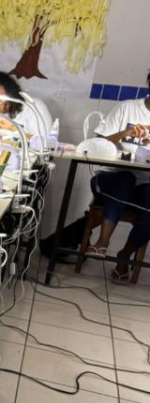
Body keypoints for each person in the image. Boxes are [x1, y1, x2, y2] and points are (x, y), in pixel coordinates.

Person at [85, 72, 150, 283]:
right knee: (126, 178)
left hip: (144, 185)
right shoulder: (127, 108)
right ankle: (103, 242)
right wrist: (125, 133)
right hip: (109, 179)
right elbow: (96, 144)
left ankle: (124, 256)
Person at [0, 71, 53, 140]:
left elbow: (42, 144)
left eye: (0, 96)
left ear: (11, 93)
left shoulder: (34, 106)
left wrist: (12, 129)